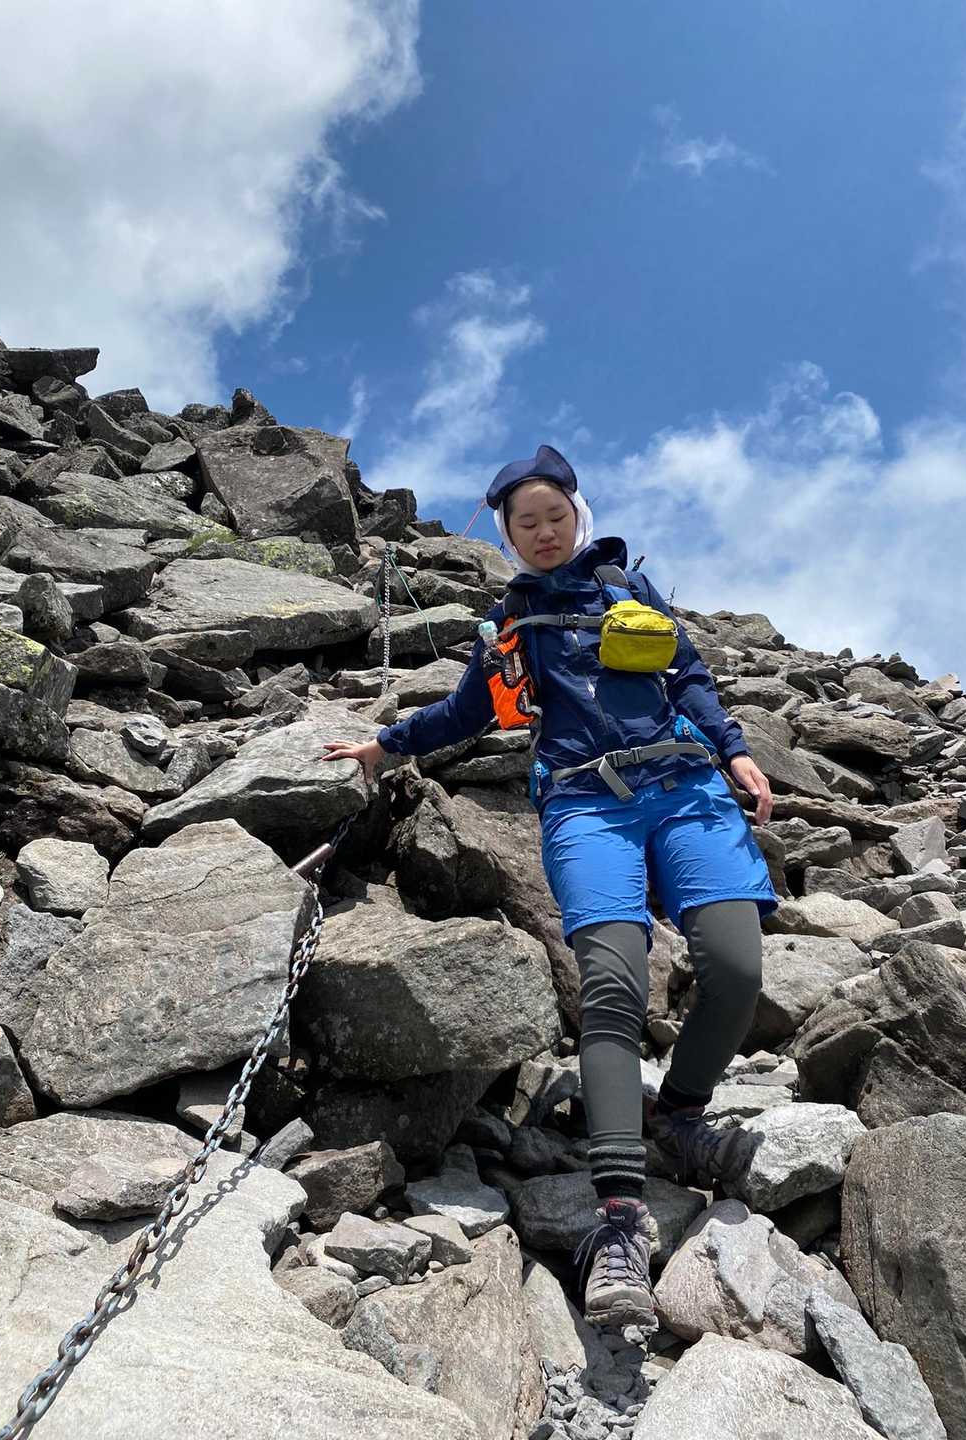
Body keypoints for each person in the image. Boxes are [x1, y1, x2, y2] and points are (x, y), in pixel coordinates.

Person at [323, 444, 778, 1334]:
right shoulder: (509, 624)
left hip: (686, 787)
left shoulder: (629, 590)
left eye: (554, 516)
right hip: (584, 803)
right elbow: (469, 712)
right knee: (612, 985)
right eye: (524, 523)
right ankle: (620, 1220)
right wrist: (386, 745)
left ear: (578, 515)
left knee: (735, 968)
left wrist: (736, 749)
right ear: (506, 534)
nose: (542, 532)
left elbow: (688, 675)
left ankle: (678, 1114)